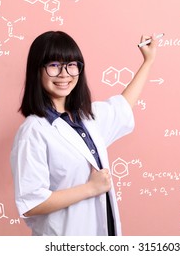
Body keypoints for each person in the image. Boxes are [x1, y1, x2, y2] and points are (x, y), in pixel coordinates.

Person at [10, 30, 157, 236]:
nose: (64, 74)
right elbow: (32, 202)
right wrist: (91, 188)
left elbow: (123, 105)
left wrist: (148, 61)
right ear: (37, 70)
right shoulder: (33, 131)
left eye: (71, 65)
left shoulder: (87, 118)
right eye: (54, 65)